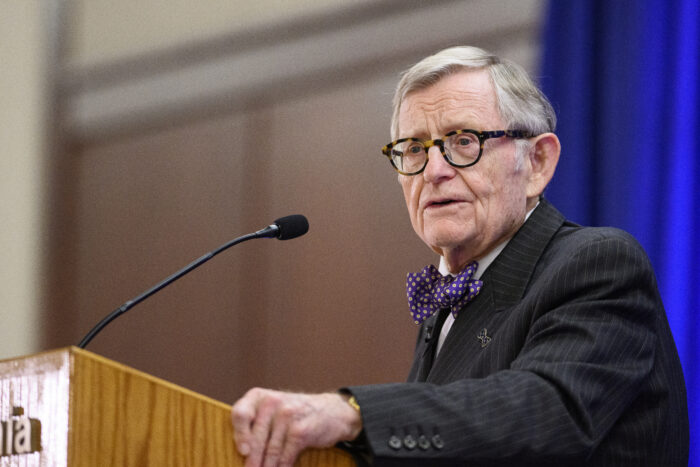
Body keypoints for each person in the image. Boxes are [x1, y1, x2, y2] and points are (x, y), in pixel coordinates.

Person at [231, 46, 689, 466]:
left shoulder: (598, 263)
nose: (433, 171)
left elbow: (542, 409)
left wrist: (352, 411)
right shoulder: (447, 305)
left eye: (463, 141)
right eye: (413, 149)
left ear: (537, 164)